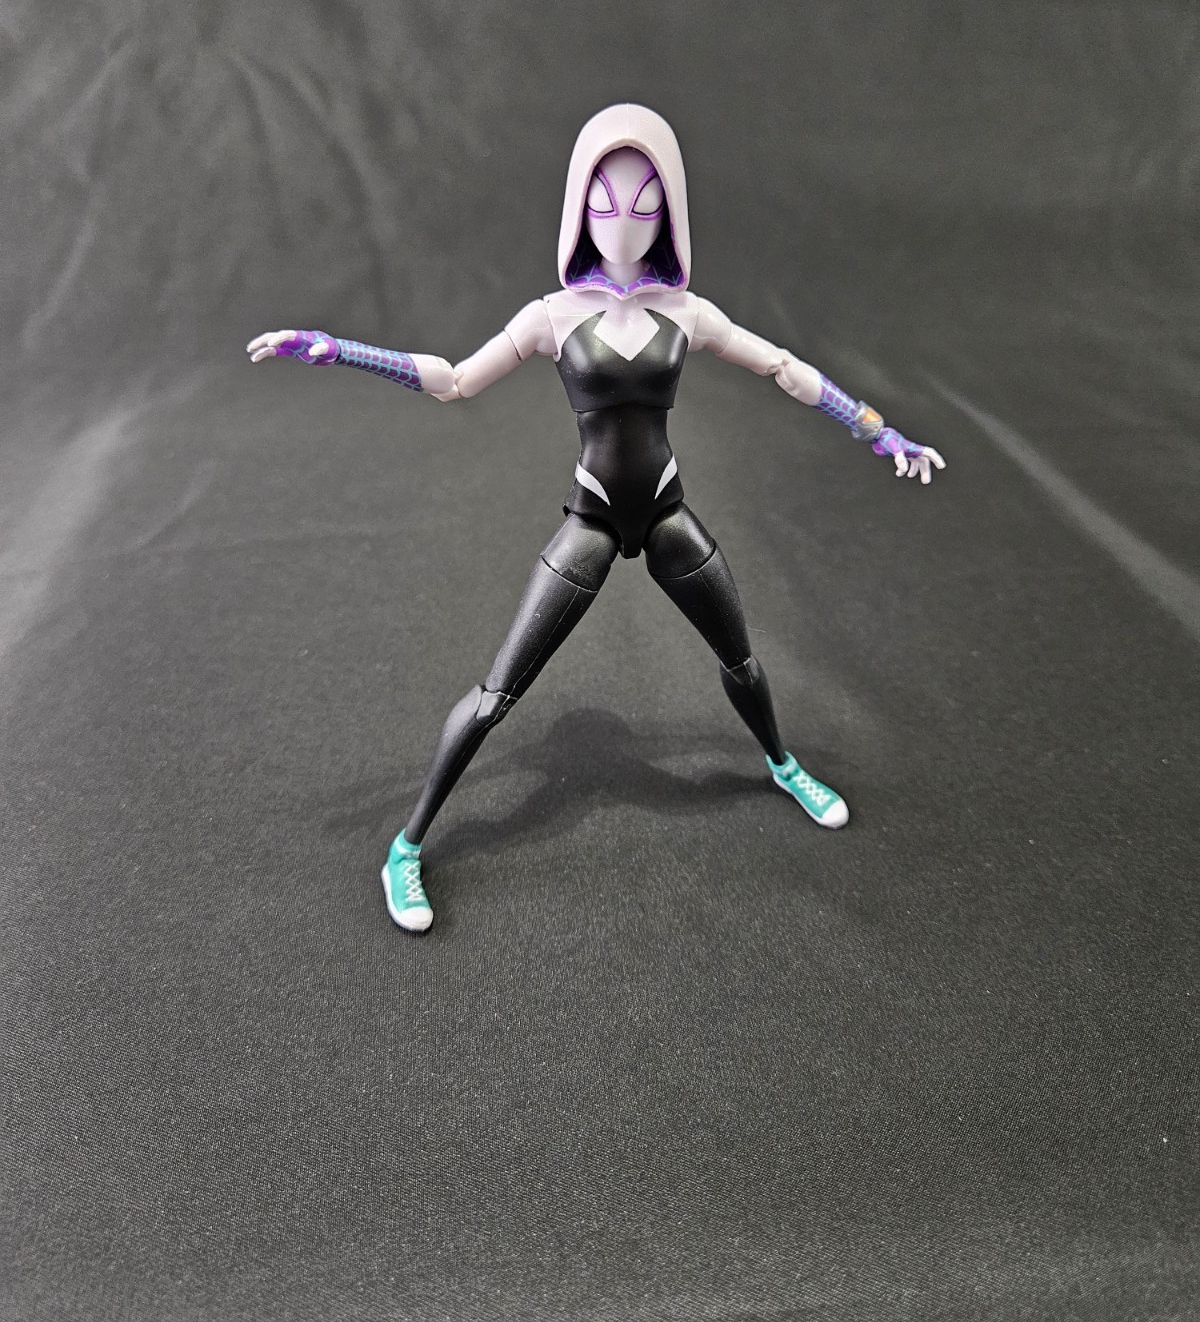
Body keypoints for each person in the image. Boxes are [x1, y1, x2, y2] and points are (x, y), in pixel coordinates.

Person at [247, 103, 945, 933]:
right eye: (604, 202)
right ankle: (406, 847)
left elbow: (784, 368)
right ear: (578, 207)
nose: (622, 222)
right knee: (496, 694)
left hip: (667, 514)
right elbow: (456, 380)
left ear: (670, 212)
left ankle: (783, 764)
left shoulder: (688, 313)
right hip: (594, 520)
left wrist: (877, 431)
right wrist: (343, 351)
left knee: (740, 658)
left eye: (645, 203)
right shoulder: (552, 315)